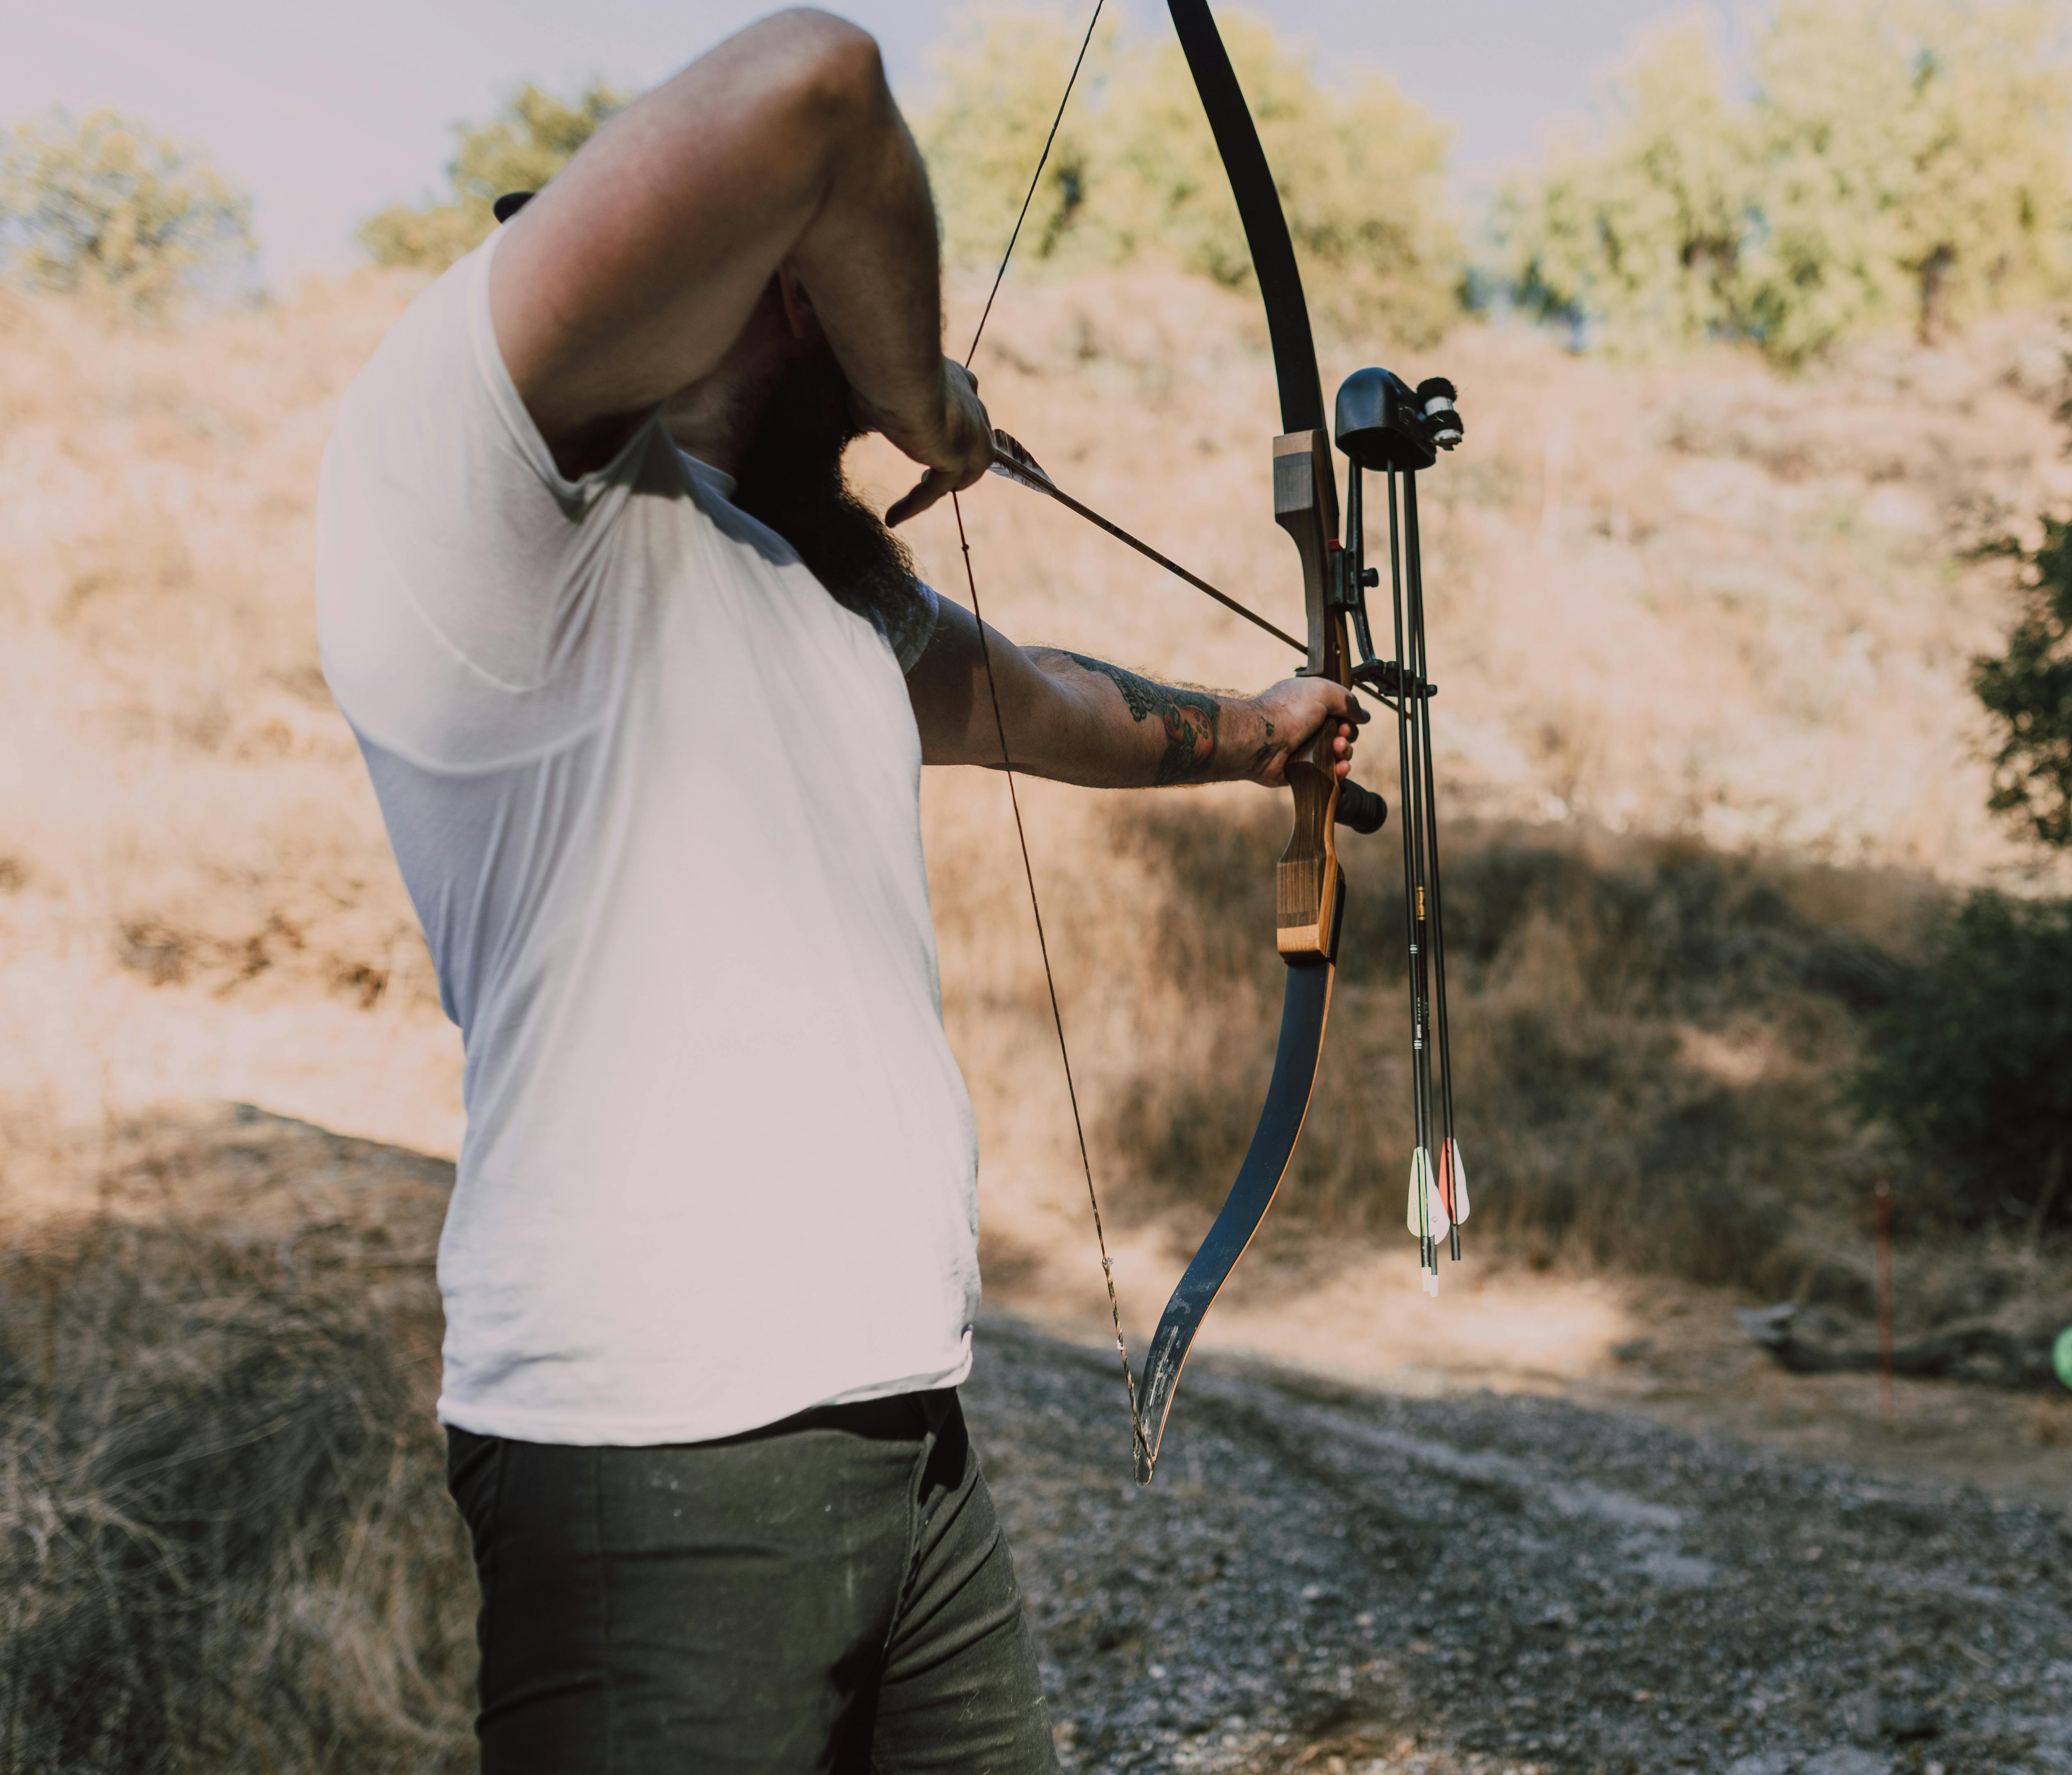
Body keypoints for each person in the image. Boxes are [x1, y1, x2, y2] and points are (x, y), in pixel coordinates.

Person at [311, 11, 1359, 1770]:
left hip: (905, 1439)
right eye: (846, 287)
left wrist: (1265, 729)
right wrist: (920, 388)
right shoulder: (495, 505)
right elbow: (820, 82)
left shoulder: (817, 585)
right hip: (657, 1460)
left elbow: (1052, 703)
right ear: (792, 289)